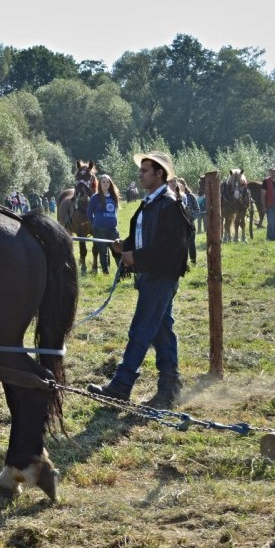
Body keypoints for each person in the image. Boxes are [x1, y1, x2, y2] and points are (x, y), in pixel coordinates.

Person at [88, 152, 194, 407]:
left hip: (160, 277)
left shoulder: (169, 204)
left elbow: (169, 248)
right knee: (161, 331)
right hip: (151, 275)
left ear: (159, 173)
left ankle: (121, 386)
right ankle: (170, 388)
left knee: (141, 329)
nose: (140, 174)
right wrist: (123, 245)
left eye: (145, 170)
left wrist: (136, 256)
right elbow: (146, 237)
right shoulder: (151, 203)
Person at [86, 174, 120, 275]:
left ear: (110, 183)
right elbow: (89, 213)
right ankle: (106, 273)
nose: (106, 184)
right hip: (99, 229)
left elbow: (115, 210)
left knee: (117, 249)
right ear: (99, 184)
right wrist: (94, 223)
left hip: (112, 228)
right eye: (103, 182)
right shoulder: (95, 198)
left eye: (108, 182)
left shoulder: (114, 196)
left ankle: (121, 271)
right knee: (103, 251)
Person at [172, 178, 199, 265]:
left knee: (191, 243)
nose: (179, 186)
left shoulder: (191, 196)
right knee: (183, 245)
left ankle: (193, 261)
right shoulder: (174, 196)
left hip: (190, 224)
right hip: (179, 225)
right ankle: (184, 264)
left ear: (184, 185)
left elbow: (197, 210)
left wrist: (191, 217)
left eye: (181, 184)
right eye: (178, 184)